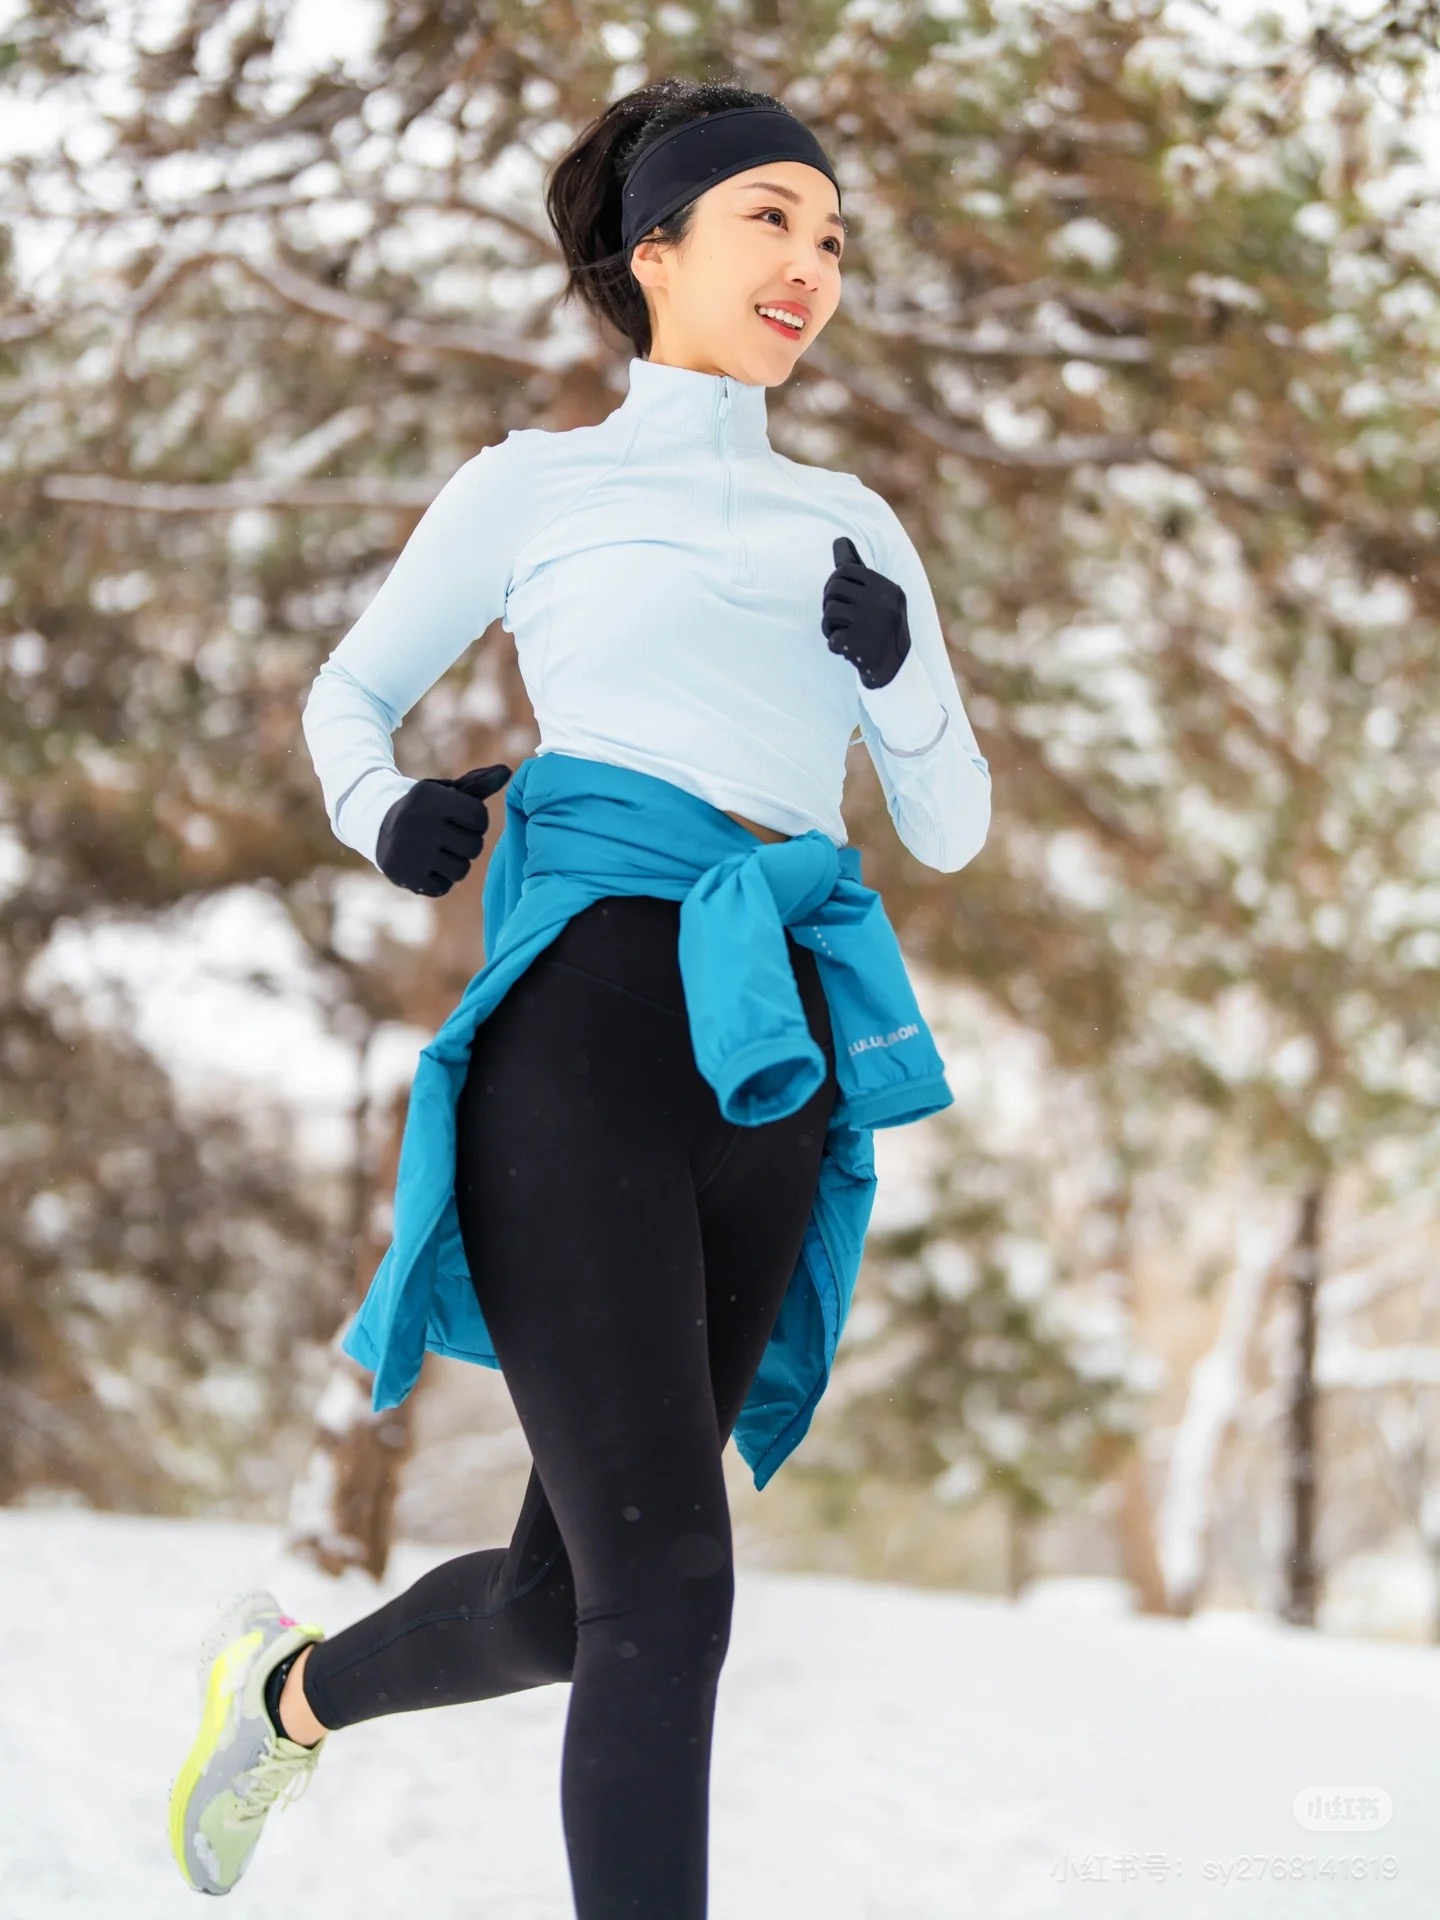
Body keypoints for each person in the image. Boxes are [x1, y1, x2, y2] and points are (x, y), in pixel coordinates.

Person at [168, 74, 991, 1918]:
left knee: (576, 1599)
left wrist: (899, 671)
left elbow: (943, 822)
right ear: (660, 252)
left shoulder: (852, 524)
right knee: (671, 1598)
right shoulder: (535, 487)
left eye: (835, 235)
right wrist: (392, 816)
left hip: (769, 1060)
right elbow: (346, 701)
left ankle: (285, 1696)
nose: (812, 264)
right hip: (588, 1034)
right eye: (772, 218)